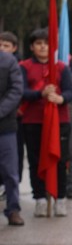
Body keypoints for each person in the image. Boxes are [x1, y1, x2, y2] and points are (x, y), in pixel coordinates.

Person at [18, 29, 72, 216]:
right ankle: (40, 198)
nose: (43, 47)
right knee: (35, 160)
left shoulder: (61, 67)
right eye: (39, 43)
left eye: (46, 43)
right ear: (32, 47)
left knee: (60, 160)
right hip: (33, 120)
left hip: (59, 120)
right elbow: (21, 91)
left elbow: (70, 91)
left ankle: (60, 198)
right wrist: (39, 94)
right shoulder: (24, 67)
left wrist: (61, 99)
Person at [0, 39, 23, 226]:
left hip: (5, 126)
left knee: (10, 171)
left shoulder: (8, 61)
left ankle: (13, 209)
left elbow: (16, 90)